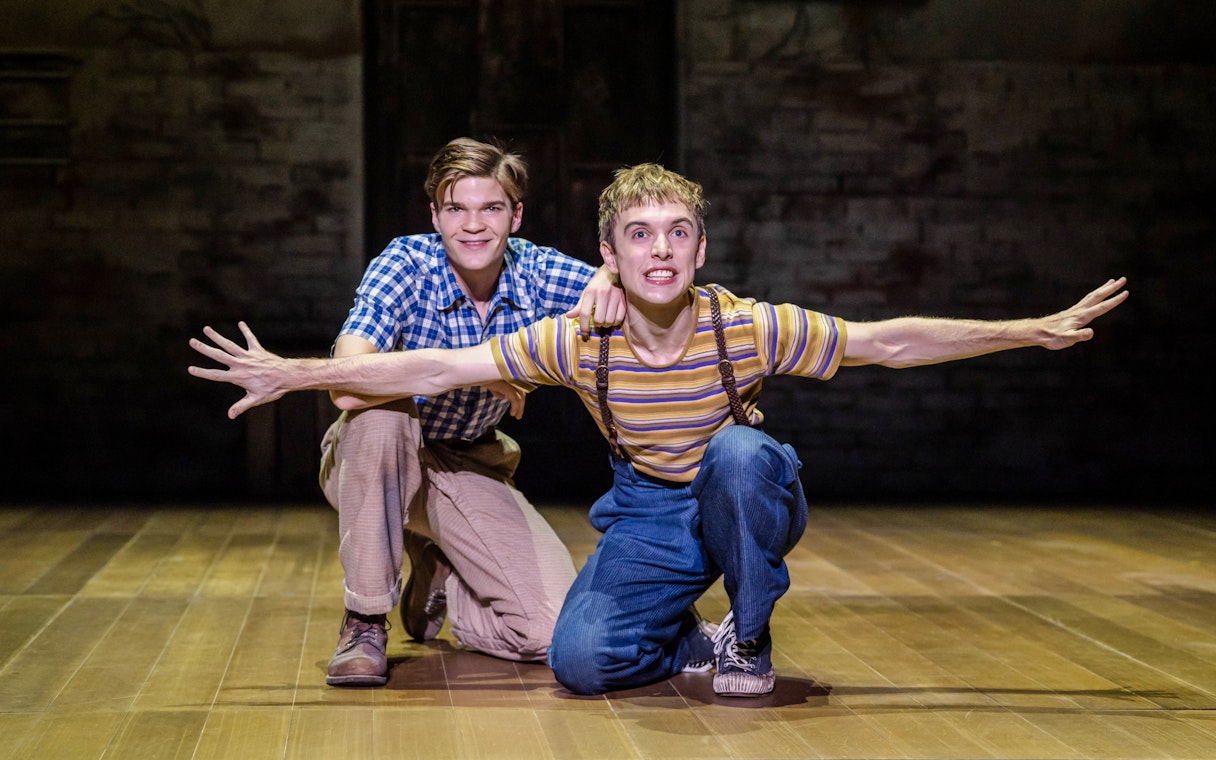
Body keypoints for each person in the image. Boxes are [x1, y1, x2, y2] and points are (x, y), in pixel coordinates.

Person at [189, 162, 1129, 699]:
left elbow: (885, 342)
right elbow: (430, 369)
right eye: (640, 235)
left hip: (735, 489)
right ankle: (685, 637)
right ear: (610, 254)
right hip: (646, 512)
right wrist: (294, 375)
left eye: (678, 233)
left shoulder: (745, 326)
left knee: (741, 451)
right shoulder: (574, 338)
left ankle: (748, 639)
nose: (661, 249)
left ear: (701, 248)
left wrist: (1026, 330)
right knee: (577, 659)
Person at [312, 137, 626, 687]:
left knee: (553, 631)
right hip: (375, 458)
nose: (474, 225)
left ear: (516, 217)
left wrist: (609, 275)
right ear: (435, 216)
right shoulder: (407, 264)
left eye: (492, 208)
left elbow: (634, 290)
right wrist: (480, 369)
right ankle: (364, 621)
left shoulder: (534, 271)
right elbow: (347, 380)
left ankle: (444, 575)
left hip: (469, 463)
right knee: (382, 413)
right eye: (456, 208)